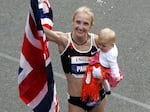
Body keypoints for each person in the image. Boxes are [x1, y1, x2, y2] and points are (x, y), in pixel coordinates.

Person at [43, 6, 106, 112]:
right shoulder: (64, 41)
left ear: (91, 26)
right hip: (76, 102)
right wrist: (36, 11)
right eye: (78, 22)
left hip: (97, 97)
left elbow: (112, 51)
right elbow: (40, 32)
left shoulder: (97, 42)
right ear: (73, 22)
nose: (81, 27)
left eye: (85, 24)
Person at [81, 28, 123, 107]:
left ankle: (95, 98)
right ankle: (107, 90)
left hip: (103, 68)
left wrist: (116, 75)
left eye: (103, 45)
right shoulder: (108, 47)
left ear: (112, 45)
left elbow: (114, 65)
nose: (100, 46)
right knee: (103, 81)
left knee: (93, 80)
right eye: (99, 44)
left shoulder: (111, 55)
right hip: (100, 61)